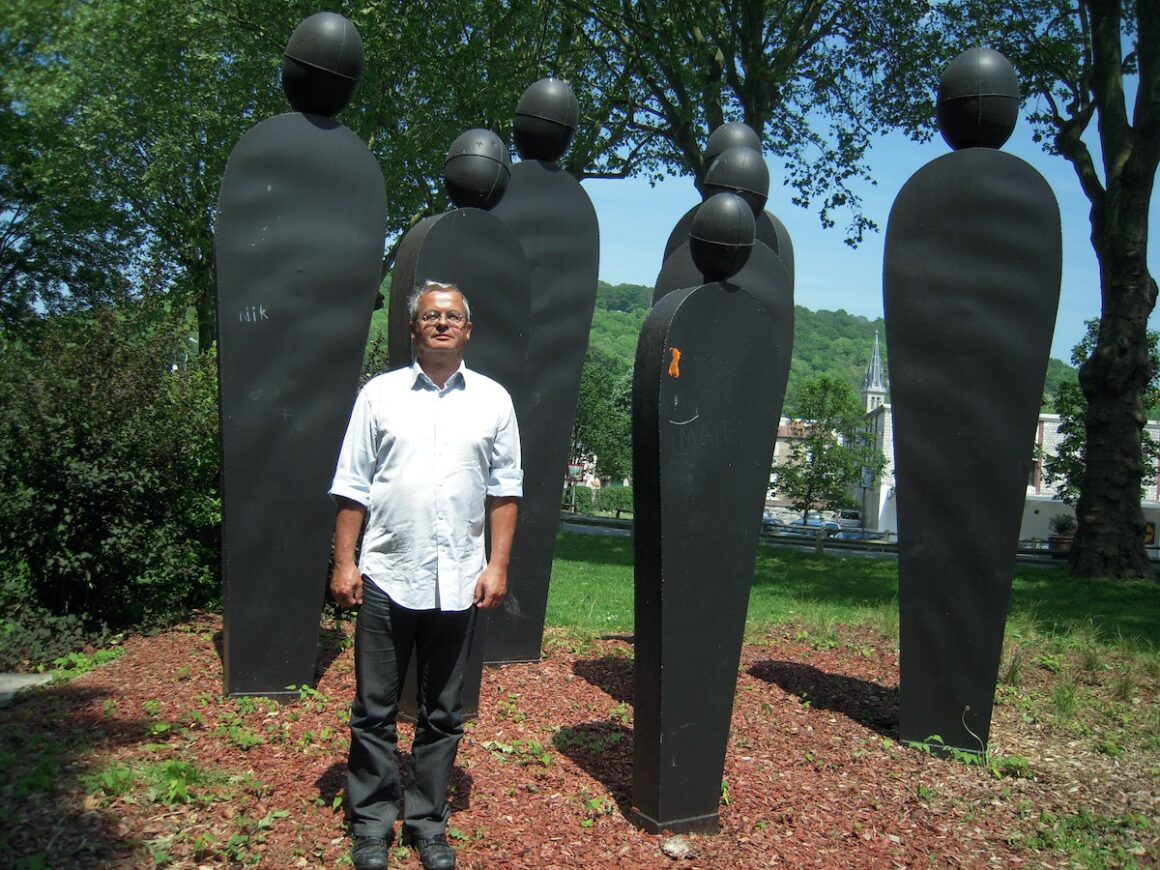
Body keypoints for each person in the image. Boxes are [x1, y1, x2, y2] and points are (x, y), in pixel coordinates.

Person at [329, 280, 522, 870]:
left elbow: (505, 490)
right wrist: (344, 561)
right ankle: (371, 824)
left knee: (443, 712)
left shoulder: (494, 401)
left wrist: (498, 564)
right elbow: (352, 484)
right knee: (374, 708)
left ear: (468, 330)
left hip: (460, 580)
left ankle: (427, 822)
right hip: (388, 574)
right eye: (432, 316)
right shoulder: (379, 395)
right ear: (413, 328)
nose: (442, 324)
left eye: (453, 317)